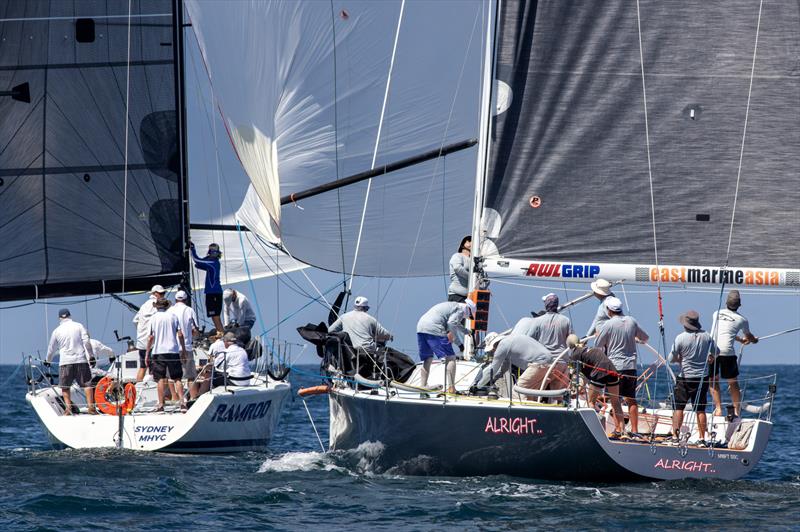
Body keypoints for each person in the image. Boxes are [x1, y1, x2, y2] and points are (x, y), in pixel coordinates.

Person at [594, 296, 649, 435]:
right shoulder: (632, 321)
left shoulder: (608, 324)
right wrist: (632, 338)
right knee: (631, 399)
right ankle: (635, 431)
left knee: (615, 399)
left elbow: (598, 344)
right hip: (631, 366)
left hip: (615, 367)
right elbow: (645, 338)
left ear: (608, 310)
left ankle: (619, 429)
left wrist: (601, 337)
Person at [668, 311, 719, 445]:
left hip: (684, 378)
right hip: (701, 378)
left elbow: (670, 359)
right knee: (700, 409)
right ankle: (702, 439)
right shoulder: (707, 336)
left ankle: (675, 436)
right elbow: (717, 352)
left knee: (679, 408)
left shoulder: (680, 338)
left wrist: (679, 358)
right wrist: (710, 357)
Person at [710, 290, 758, 417]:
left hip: (712, 351)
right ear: (739, 305)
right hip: (727, 352)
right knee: (732, 382)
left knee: (713, 380)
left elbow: (723, 331)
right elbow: (749, 336)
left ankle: (719, 409)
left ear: (726, 302)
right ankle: (736, 411)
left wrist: (740, 340)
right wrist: (754, 340)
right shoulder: (742, 320)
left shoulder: (716, 314)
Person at [566, 334, 625, 436]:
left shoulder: (575, 354)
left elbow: (576, 375)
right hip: (612, 370)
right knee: (616, 402)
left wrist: (576, 389)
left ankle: (594, 432)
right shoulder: (589, 349)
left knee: (591, 402)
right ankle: (622, 431)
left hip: (600, 372)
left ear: (570, 345)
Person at [416, 300, 476, 393]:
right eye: (470, 316)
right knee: (451, 357)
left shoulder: (453, 306)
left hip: (421, 327)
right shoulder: (461, 309)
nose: (467, 317)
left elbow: (456, 323)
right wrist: (459, 343)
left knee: (428, 358)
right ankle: (452, 388)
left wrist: (466, 331)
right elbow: (451, 323)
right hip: (434, 327)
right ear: (469, 309)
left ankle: (423, 386)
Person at [45, 308, 96, 415]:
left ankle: (68, 409)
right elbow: (87, 342)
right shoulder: (79, 326)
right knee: (87, 385)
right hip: (81, 360)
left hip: (65, 362)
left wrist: (48, 360)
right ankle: (91, 407)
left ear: (59, 318)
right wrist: (91, 356)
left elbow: (51, 348)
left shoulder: (56, 331)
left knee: (65, 386)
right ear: (70, 316)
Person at [145, 298, 187, 412]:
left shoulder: (153, 318)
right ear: (167, 306)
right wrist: (183, 349)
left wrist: (147, 353)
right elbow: (180, 334)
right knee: (177, 378)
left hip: (158, 352)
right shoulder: (173, 316)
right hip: (173, 350)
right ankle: (182, 403)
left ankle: (160, 405)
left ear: (156, 306)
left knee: (160, 379)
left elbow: (150, 337)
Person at [475, 333, 553, 390]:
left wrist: (478, 386)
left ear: (494, 344)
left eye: (492, 349)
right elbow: (503, 368)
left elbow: (492, 369)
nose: (493, 351)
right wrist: (493, 379)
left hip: (539, 363)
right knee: (531, 392)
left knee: (518, 390)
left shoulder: (502, 346)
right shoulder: (509, 342)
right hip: (548, 361)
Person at [191, 332, 252, 398]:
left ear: (226, 342)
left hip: (235, 381)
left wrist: (200, 368)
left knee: (209, 375)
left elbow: (213, 365)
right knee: (215, 375)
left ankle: (198, 397)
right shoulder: (242, 350)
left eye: (224, 341)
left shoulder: (227, 352)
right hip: (246, 380)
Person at [328, 296, 392, 354]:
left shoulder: (343, 317)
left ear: (355, 306)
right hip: (367, 350)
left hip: (349, 350)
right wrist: (390, 336)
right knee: (383, 350)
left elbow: (330, 330)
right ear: (366, 308)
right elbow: (385, 334)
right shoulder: (370, 319)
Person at [132, 285, 166, 382]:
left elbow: (135, 320)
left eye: (163, 293)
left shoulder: (143, 306)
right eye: (161, 293)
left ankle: (137, 391)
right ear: (155, 293)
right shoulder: (158, 305)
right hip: (153, 343)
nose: (163, 295)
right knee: (156, 370)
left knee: (143, 367)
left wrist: (141, 333)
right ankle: (157, 393)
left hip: (141, 342)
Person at [190, 241, 224, 333]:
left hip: (213, 293)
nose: (212, 252)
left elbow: (197, 261)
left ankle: (221, 336)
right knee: (214, 317)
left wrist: (192, 248)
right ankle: (220, 335)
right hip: (213, 293)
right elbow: (198, 265)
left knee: (215, 317)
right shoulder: (213, 262)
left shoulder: (212, 262)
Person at [169, 290, 199, 387]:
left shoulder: (169, 310)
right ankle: (193, 398)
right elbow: (195, 330)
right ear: (186, 300)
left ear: (175, 299)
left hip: (172, 349)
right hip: (186, 347)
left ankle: (175, 398)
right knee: (190, 376)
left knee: (172, 377)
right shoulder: (189, 310)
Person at [447, 236, 471, 302]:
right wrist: (472, 277)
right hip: (457, 296)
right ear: (463, 244)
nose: (471, 242)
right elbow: (458, 268)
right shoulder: (457, 256)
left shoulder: (474, 261)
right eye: (469, 241)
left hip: (471, 298)